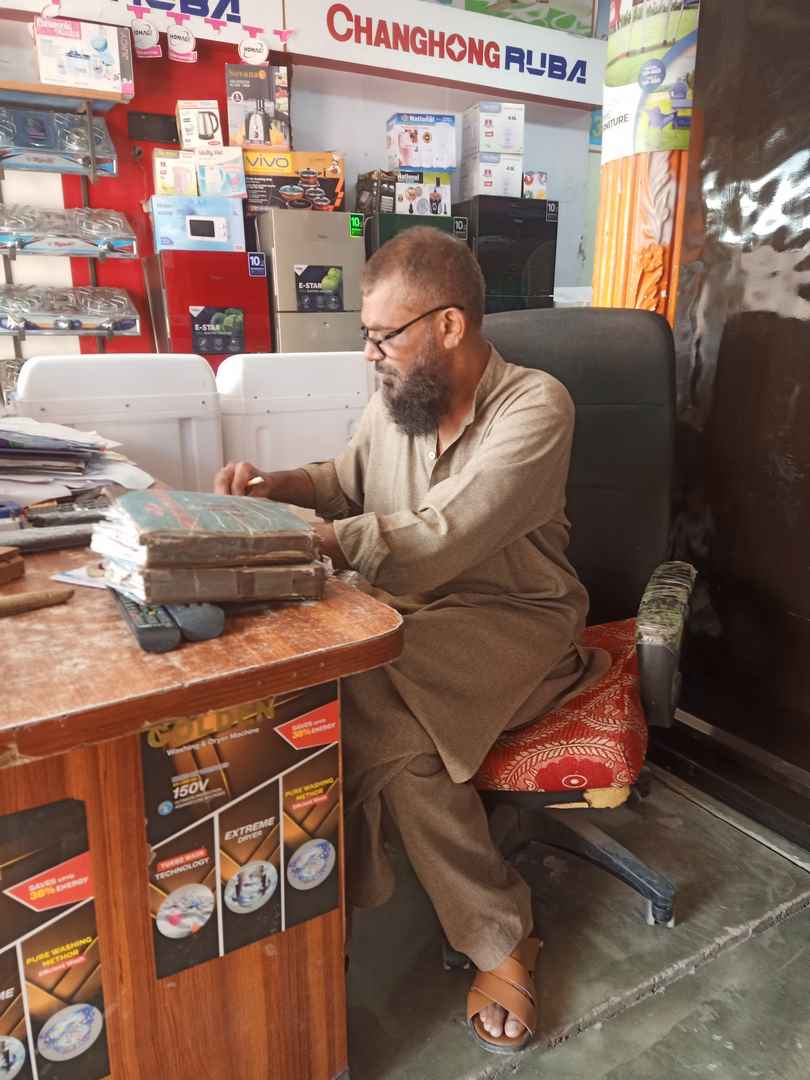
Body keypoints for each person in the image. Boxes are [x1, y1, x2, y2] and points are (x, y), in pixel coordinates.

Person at [215, 227, 610, 1054]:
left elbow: (445, 534)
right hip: (410, 614)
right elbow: (341, 480)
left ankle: (433, 928)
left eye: (382, 335)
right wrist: (275, 487)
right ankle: (490, 931)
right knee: (382, 716)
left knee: (357, 684)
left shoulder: (537, 406)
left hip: (514, 620)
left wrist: (319, 540)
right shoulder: (402, 398)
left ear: (449, 325)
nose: (370, 354)